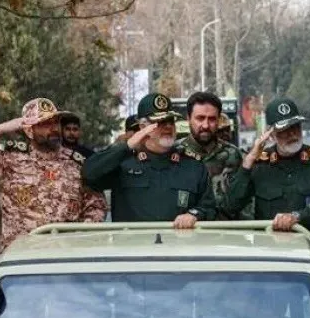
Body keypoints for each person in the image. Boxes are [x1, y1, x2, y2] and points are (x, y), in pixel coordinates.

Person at [0, 98, 107, 249]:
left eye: (56, 122)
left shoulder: (77, 163)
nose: (54, 128)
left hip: (65, 256)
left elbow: (96, 205)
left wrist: (79, 238)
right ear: (29, 130)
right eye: (45, 123)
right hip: (22, 256)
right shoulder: (8, 158)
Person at [226, 100, 310, 281]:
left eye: (295, 127)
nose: (292, 134)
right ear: (271, 134)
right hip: (271, 260)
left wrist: (298, 217)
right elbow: (231, 205)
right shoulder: (259, 164)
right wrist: (248, 161)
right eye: (284, 130)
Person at [83, 93, 216, 226]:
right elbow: (89, 175)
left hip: (178, 239)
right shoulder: (123, 163)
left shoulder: (193, 167)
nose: (168, 126)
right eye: (160, 122)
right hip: (132, 239)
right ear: (143, 127)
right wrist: (128, 145)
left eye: (171, 121)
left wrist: (194, 215)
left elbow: (208, 207)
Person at [179, 91, 244, 215]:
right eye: (200, 118)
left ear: (218, 120)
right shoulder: (176, 153)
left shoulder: (233, 155)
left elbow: (244, 199)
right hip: (184, 225)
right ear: (188, 118)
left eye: (212, 119)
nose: (206, 125)